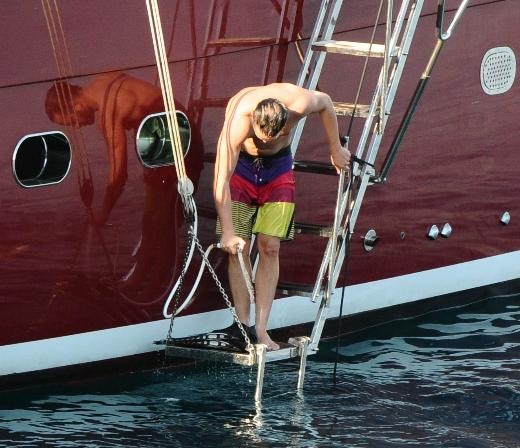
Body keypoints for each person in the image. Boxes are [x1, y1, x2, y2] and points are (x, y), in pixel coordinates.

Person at [213, 82, 351, 350]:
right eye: (261, 136)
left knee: (270, 246)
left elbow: (326, 102)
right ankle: (242, 326)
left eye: (274, 135)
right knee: (238, 248)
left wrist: (335, 149)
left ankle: (261, 329)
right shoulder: (239, 119)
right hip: (241, 168)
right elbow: (220, 181)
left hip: (278, 167)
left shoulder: (299, 103)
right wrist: (228, 232)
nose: (265, 141)